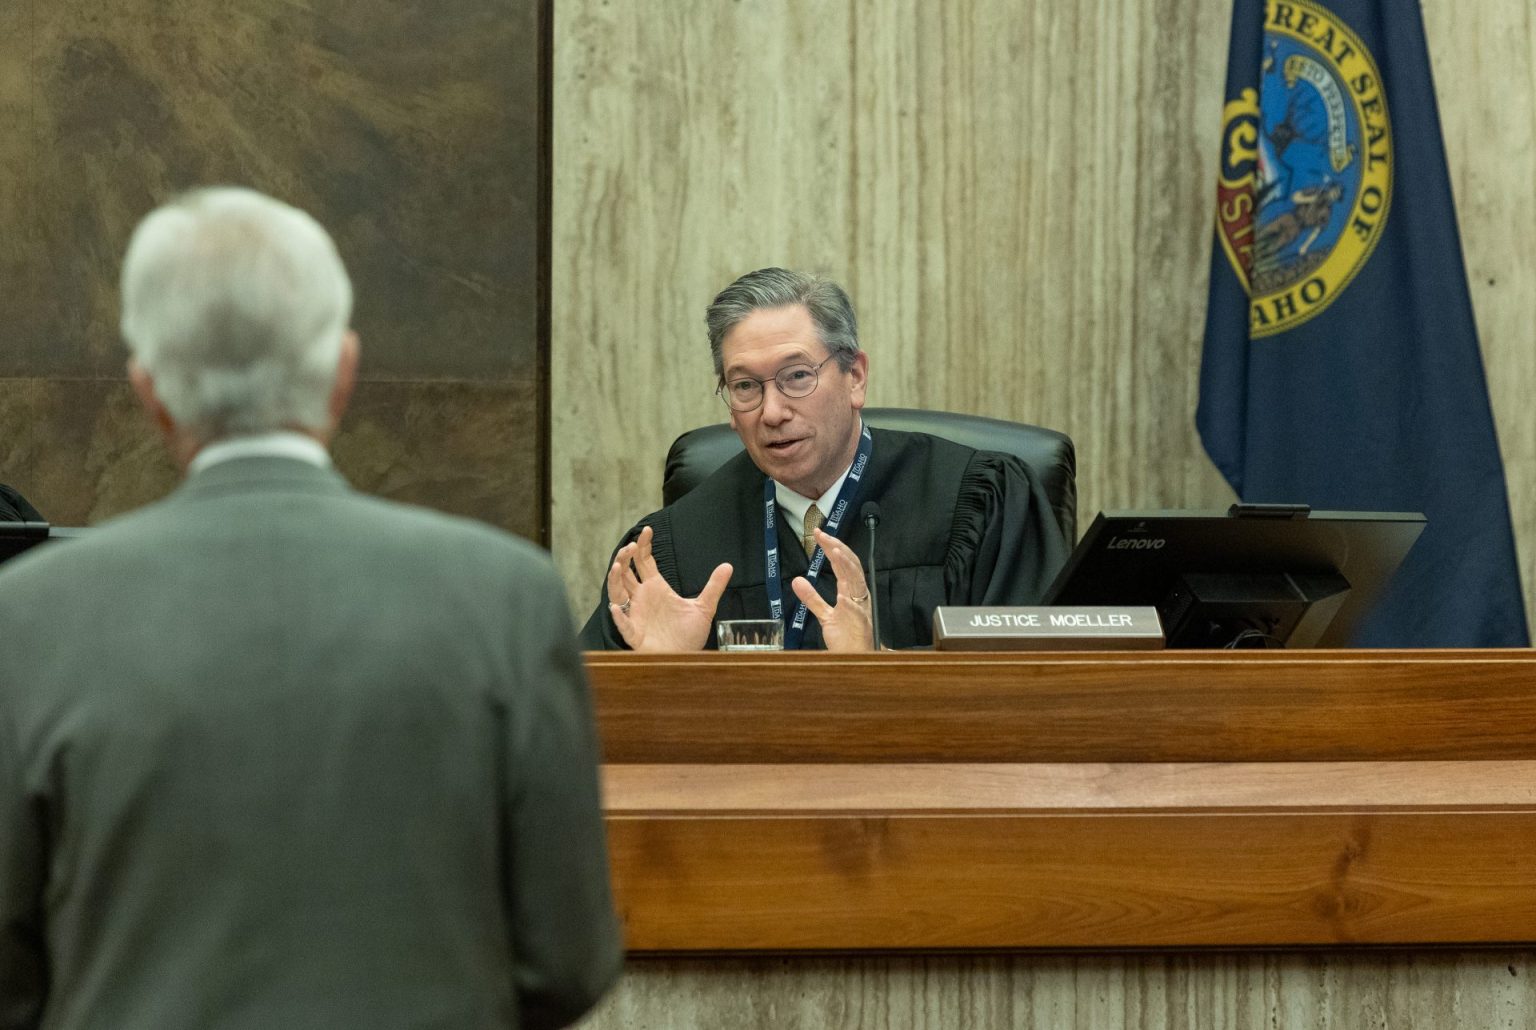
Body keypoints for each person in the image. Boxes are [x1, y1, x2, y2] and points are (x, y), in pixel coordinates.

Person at [0, 188, 622, 1029]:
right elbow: (567, 961)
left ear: (150, 394)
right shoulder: (506, 597)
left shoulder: (28, 615)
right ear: (342, 372)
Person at [580, 266, 1068, 651]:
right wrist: (659, 678)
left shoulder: (979, 502)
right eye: (746, 386)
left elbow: (1040, 688)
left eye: (796, 376)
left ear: (854, 377)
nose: (772, 412)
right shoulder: (674, 548)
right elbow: (573, 728)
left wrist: (880, 668)